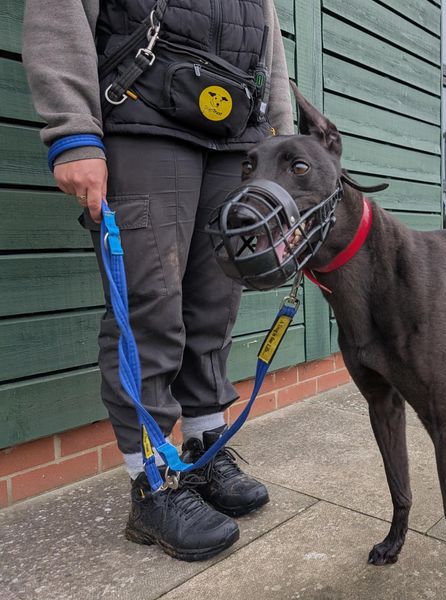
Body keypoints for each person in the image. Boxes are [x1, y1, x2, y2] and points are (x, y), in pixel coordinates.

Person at [22, 0, 293, 561]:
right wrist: (73, 128)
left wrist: (277, 143)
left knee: (215, 302)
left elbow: (270, 42)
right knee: (150, 305)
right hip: (144, 118)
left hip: (234, 135)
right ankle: (153, 481)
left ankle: (202, 449)